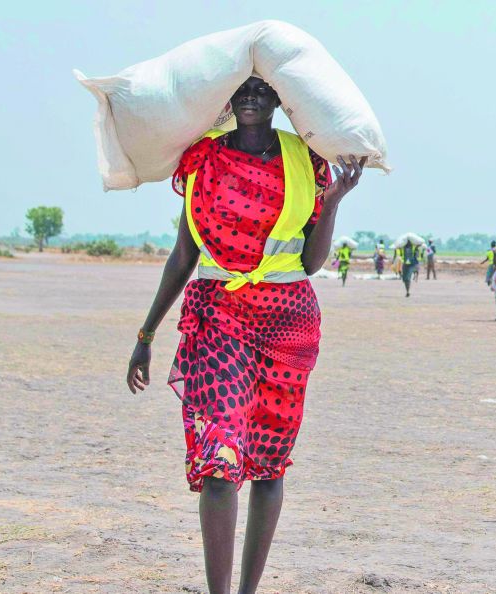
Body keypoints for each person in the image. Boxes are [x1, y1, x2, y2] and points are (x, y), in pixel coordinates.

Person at [125, 75, 366, 594]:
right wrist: (146, 334)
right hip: (218, 316)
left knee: (269, 466)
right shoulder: (203, 159)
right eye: (243, 88)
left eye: (263, 89)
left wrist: (332, 204)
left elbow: (311, 262)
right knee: (219, 460)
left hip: (287, 323)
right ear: (228, 98)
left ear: (280, 99)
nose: (252, 97)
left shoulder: (305, 159)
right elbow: (183, 255)